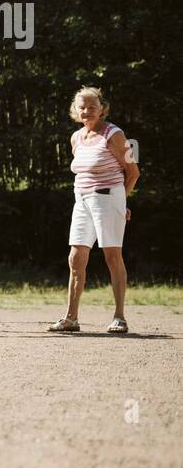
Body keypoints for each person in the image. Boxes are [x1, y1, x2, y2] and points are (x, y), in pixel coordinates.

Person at [49, 87, 139, 334]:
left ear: (102, 108)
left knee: (112, 256)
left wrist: (122, 202)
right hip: (82, 201)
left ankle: (119, 317)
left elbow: (132, 173)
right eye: (82, 107)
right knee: (75, 258)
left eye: (92, 106)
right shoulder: (76, 138)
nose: (87, 111)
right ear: (74, 111)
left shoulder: (114, 134)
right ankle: (71, 318)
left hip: (108, 199)